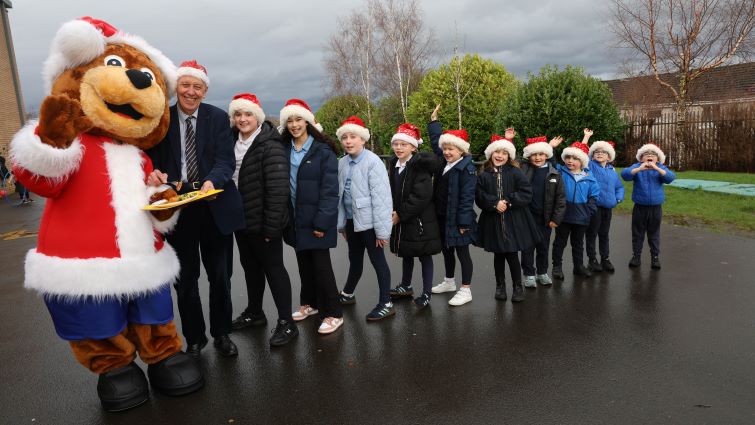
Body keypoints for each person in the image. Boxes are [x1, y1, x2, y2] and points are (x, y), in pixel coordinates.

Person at [147, 60, 245, 358]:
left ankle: (222, 334)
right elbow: (150, 157)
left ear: (205, 90)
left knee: (220, 278)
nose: (191, 92)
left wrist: (212, 181)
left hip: (213, 206)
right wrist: (154, 173)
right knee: (185, 281)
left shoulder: (217, 119)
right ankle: (194, 338)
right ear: (176, 87)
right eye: (185, 85)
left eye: (197, 87)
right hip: (179, 211)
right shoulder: (161, 119)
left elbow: (225, 161)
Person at [227, 93, 299, 346]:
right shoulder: (231, 141)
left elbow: (278, 189)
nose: (243, 119)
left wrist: (272, 226)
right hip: (241, 219)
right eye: (238, 114)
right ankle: (255, 312)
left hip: (264, 221)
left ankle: (287, 323)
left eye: (248, 114)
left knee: (274, 269)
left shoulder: (270, 144)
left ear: (257, 117)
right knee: (250, 268)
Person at [279, 98, 343, 335]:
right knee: (303, 265)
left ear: (307, 121)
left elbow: (330, 191)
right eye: (290, 121)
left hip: (316, 219)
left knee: (321, 267)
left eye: (298, 119)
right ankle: (311, 304)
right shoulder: (283, 149)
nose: (294, 125)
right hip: (295, 218)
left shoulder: (322, 151)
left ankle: (333, 313)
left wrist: (322, 222)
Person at [336, 116, 395, 321]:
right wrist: (341, 224)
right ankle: (348, 293)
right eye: (344, 137)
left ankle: (386, 302)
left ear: (363, 139)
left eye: (353, 137)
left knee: (378, 261)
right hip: (352, 222)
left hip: (371, 223)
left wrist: (382, 231)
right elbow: (341, 197)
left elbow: (382, 199)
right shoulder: (342, 163)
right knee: (355, 259)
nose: (348, 141)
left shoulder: (373, 162)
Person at [476, 134, 541, 302]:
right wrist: (494, 203)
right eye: (497, 152)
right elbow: (479, 196)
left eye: (504, 153)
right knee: (498, 255)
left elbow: (526, 192)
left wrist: (509, 201)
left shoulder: (515, 172)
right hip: (493, 220)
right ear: (490, 154)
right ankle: (500, 286)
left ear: (509, 156)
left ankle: (517, 287)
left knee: (512, 254)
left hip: (514, 220)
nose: (500, 156)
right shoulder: (484, 174)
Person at [427, 105, 478, 306]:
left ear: (462, 150)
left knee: (462, 253)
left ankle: (466, 289)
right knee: (447, 249)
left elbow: (467, 198)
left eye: (451, 149)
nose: (447, 152)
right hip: (442, 216)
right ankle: (449, 281)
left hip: (459, 220)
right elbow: (435, 141)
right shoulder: (442, 161)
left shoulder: (467, 169)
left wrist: (464, 222)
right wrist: (433, 122)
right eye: (445, 149)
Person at [387, 123, 442, 309]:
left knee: (424, 256)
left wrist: (400, 214)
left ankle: (426, 293)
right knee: (406, 253)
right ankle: (406, 285)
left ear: (413, 147)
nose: (398, 148)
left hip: (420, 221)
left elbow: (421, 196)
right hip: (402, 219)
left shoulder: (420, 167)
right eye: (396, 144)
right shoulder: (393, 166)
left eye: (403, 144)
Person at [519, 134, 566, 288]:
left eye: (541, 154)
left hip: (545, 218)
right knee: (527, 247)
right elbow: (513, 159)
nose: (538, 158)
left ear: (547, 155)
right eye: (534, 154)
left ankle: (542, 272)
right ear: (528, 156)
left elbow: (560, 199)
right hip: (527, 217)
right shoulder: (524, 169)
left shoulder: (554, 173)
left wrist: (556, 219)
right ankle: (529, 274)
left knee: (543, 246)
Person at [621, 143, 676, 269]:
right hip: (640, 207)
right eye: (646, 154)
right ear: (641, 158)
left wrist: (656, 168)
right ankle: (636, 256)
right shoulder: (637, 167)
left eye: (653, 154)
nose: (649, 156)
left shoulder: (661, 168)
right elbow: (625, 175)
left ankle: (655, 258)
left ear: (658, 159)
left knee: (654, 233)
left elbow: (671, 178)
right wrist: (639, 169)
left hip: (656, 208)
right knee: (637, 233)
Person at [551, 140, 600, 280]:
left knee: (578, 244)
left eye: (575, 158)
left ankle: (578, 266)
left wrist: (588, 211)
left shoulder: (589, 177)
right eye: (568, 157)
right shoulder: (560, 172)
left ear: (582, 161)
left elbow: (594, 195)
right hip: (563, 215)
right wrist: (552, 148)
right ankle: (557, 267)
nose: (570, 161)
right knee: (560, 242)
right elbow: (551, 161)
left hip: (581, 217)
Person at [583, 129, 624, 273]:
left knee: (604, 234)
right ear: (592, 155)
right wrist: (586, 137)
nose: (599, 154)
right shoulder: (591, 166)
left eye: (603, 152)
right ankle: (592, 260)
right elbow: (582, 153)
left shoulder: (612, 171)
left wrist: (618, 198)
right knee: (592, 234)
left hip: (608, 208)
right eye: (596, 152)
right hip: (594, 207)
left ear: (609, 156)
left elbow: (619, 187)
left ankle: (605, 259)